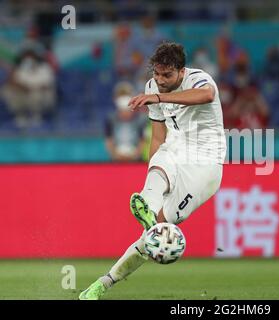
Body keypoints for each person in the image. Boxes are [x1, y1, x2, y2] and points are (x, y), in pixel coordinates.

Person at [79, 42, 226, 300]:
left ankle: (109, 278)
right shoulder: (152, 87)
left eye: (166, 75)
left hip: (206, 162)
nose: (159, 80)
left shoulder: (199, 79)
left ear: (181, 72)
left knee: (155, 234)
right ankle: (147, 209)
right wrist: (151, 174)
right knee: (161, 160)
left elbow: (207, 96)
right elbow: (158, 137)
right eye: (156, 74)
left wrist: (159, 97)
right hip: (176, 146)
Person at [105, 82, 147, 162]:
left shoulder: (140, 119)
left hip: (136, 161)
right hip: (116, 160)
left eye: (126, 96)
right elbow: (109, 140)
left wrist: (134, 156)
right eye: (121, 96)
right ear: (116, 99)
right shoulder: (110, 119)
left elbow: (142, 141)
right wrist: (116, 155)